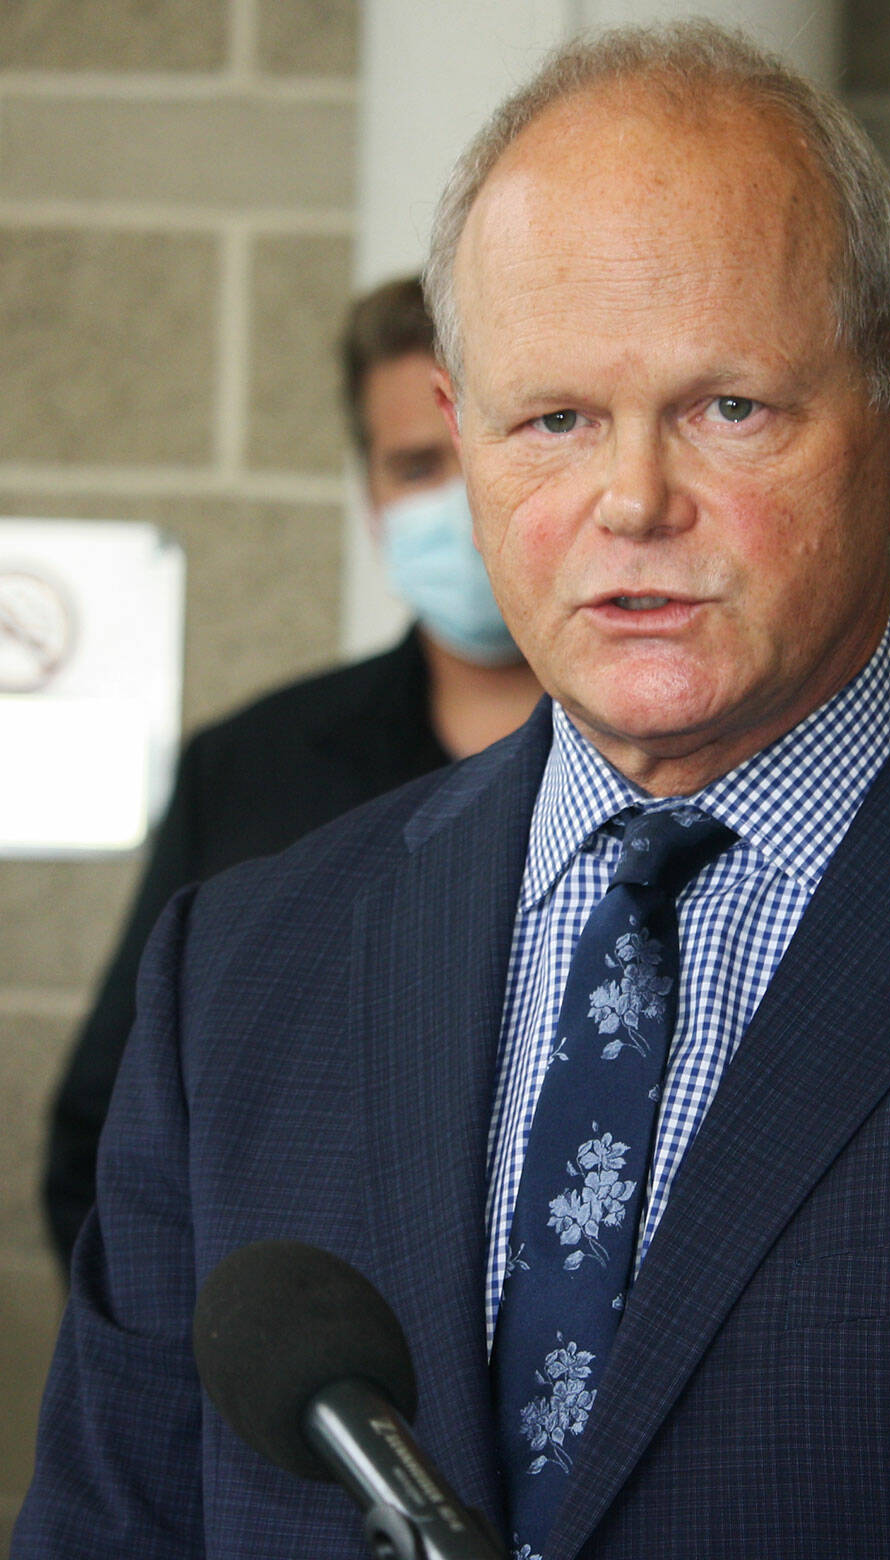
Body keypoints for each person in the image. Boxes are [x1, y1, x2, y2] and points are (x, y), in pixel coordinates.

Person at [7, 22, 890, 1560]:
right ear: (463, 438)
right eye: (553, 420)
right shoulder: (241, 969)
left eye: (728, 407)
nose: (632, 501)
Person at [40, 277, 543, 1270]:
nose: (454, 504)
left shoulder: (673, 761)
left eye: (489, 451)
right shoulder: (251, 769)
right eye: (413, 466)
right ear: (368, 499)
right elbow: (105, 1138)